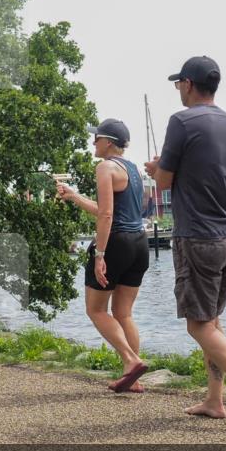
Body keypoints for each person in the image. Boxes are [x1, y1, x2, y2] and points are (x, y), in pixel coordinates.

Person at [144, 56, 226, 429]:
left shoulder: (181, 121)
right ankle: (215, 400)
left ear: (187, 83)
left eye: (178, 84)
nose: (178, 91)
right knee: (213, 321)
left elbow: (164, 182)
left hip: (199, 237)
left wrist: (155, 170)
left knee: (198, 326)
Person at [57, 120, 150, 393]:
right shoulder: (132, 170)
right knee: (123, 313)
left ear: (108, 142)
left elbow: (108, 216)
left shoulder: (105, 167)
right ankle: (133, 377)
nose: (93, 143)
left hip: (116, 243)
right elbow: (104, 209)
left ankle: (131, 361)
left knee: (96, 310)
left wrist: (99, 255)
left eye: (96, 139)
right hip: (140, 243)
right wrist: (74, 197)